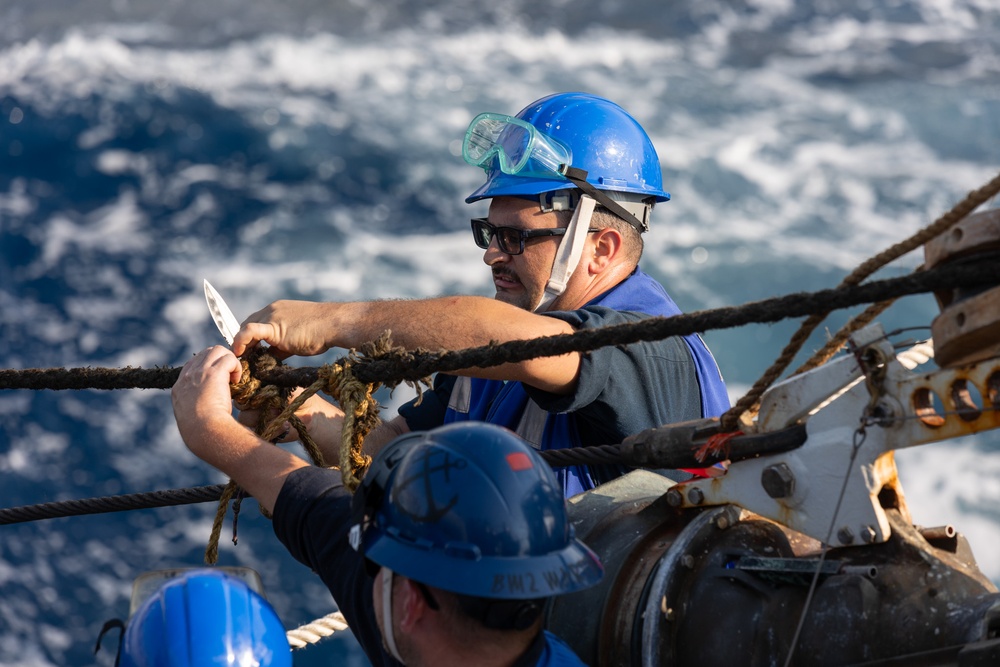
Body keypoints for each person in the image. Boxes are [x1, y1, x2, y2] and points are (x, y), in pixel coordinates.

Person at [231, 92, 730, 496]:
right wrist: (295, 410)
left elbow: (527, 345)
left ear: (600, 249)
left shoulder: (651, 348)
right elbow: (397, 449)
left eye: (515, 237)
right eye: (489, 234)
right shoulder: (504, 346)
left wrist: (336, 322)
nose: (492, 256)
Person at [171, 344, 604, 666]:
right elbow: (313, 501)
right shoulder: (448, 622)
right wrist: (223, 429)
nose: (363, 565)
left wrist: (205, 427)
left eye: (375, 561)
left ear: (410, 603)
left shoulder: (401, 626)